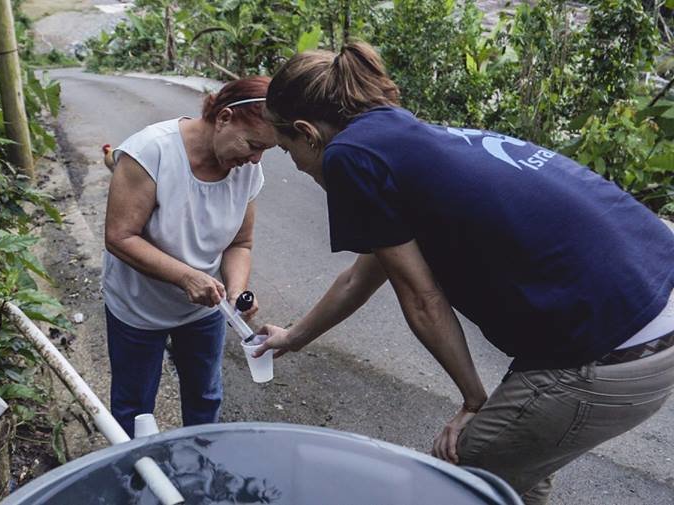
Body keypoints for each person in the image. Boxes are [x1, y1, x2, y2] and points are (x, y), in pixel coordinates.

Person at [256, 42, 674, 505]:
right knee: (514, 471)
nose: (293, 163)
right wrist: (293, 338)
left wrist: (475, 401)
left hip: (613, 348)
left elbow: (421, 298)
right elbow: (362, 276)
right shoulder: (399, 136)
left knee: (455, 474)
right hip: (653, 308)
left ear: (306, 132)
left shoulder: (350, 156)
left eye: (285, 149)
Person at [103, 76, 277, 437]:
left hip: (204, 310)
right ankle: (133, 482)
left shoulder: (247, 170)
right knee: (133, 409)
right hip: (138, 308)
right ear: (224, 117)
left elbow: (240, 243)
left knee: (205, 396)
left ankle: (199, 472)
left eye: (265, 151)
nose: (255, 158)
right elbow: (120, 237)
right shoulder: (151, 152)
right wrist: (186, 277)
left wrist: (234, 291)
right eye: (253, 144)